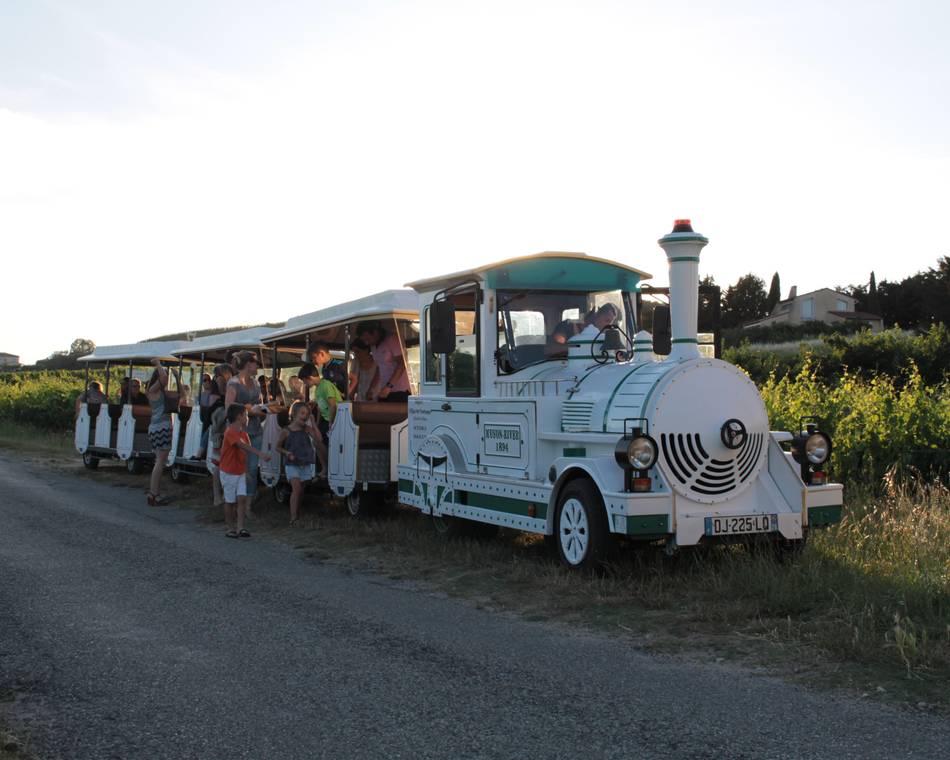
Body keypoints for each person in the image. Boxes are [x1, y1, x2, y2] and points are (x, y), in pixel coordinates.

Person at [224, 351, 268, 510]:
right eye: (256, 363)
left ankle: (247, 507)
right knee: (238, 468)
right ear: (249, 365)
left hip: (256, 430)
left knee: (251, 468)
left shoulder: (256, 383)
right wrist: (250, 412)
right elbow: (229, 408)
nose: (258, 366)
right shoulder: (233, 383)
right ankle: (235, 503)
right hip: (239, 433)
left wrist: (266, 410)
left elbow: (260, 404)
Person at [219, 403, 271, 539]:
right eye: (246, 415)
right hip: (228, 471)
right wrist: (260, 454)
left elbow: (244, 455)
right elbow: (241, 446)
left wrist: (246, 471)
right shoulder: (230, 432)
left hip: (240, 471)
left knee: (241, 498)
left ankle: (240, 527)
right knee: (230, 502)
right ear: (239, 417)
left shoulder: (244, 434)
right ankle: (230, 527)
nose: (248, 418)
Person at [275, 401, 320, 526]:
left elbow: (319, 439)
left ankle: (297, 514)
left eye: (307, 414)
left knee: (301, 491)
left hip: (305, 463)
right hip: (292, 464)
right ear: (294, 414)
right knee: (297, 488)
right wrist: (287, 452)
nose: (305, 416)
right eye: (302, 413)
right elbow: (277, 447)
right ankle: (293, 518)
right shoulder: (287, 430)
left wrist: (313, 424)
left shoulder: (307, 429)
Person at [144, 358, 181, 507]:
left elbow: (182, 394)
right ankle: (153, 494)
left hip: (156, 427)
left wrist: (178, 379)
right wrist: (158, 364)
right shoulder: (152, 390)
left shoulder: (156, 392)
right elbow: (164, 379)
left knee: (159, 461)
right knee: (160, 462)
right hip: (162, 427)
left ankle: (154, 492)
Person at [356, 322, 410, 403]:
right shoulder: (373, 346)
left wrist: (389, 386)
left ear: (375, 332)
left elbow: (402, 364)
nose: (367, 343)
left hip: (400, 391)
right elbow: (379, 368)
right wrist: (371, 388)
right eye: (364, 341)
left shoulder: (392, 338)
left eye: (368, 339)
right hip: (384, 390)